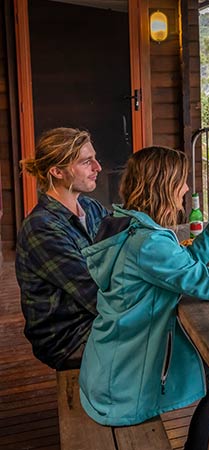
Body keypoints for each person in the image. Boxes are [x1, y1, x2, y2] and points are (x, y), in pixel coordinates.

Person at [77, 146, 209, 449]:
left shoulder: (129, 225)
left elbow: (187, 262)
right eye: (182, 181)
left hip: (110, 365)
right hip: (123, 386)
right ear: (164, 186)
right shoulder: (148, 243)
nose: (187, 189)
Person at [15, 127, 108, 370]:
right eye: (87, 162)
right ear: (57, 171)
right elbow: (96, 294)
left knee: (178, 339)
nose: (97, 167)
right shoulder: (41, 228)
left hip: (96, 316)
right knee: (171, 343)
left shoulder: (91, 207)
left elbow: (122, 255)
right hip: (68, 336)